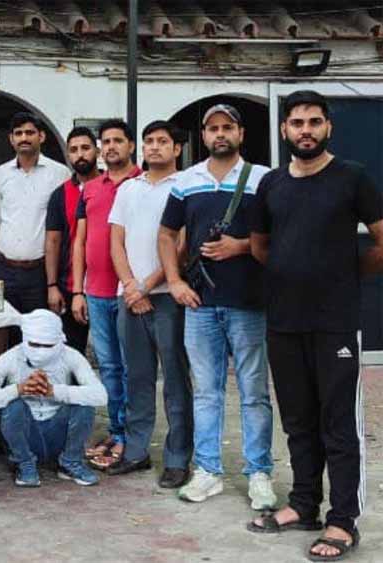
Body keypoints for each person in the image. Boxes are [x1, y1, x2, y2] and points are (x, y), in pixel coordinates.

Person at [247, 90, 383, 561]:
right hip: (284, 320)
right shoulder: (272, 184)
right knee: (298, 420)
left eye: (314, 122)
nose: (305, 130)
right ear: (284, 130)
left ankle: (342, 520)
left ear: (328, 127)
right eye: (297, 122)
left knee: (338, 424)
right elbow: (260, 246)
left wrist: (345, 274)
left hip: (335, 322)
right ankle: (304, 504)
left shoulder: (352, 178)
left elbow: (381, 241)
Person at [157, 104, 275, 508]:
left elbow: (279, 234)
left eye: (227, 127)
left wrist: (240, 246)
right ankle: (208, 471)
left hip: (249, 302)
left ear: (240, 134)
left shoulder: (263, 179)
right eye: (212, 129)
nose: (220, 134)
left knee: (254, 392)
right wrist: (174, 281)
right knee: (206, 392)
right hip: (200, 303)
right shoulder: (186, 181)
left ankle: (259, 473)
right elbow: (166, 234)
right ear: (203, 136)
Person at [106, 120, 193, 488]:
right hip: (129, 297)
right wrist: (130, 286)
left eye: (162, 141)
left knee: (175, 380)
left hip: (168, 297)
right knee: (137, 378)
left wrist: (146, 287)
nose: (154, 147)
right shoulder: (129, 188)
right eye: (149, 141)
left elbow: (182, 246)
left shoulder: (186, 185)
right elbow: (116, 241)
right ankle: (136, 451)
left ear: (177, 148)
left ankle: (177, 458)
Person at [71, 119, 141, 470]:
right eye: (106, 142)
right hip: (96, 293)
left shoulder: (143, 183)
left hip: (131, 292)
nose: (111, 146)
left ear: (131, 145)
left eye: (118, 140)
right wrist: (77, 290)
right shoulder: (90, 189)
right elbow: (80, 242)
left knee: (132, 369)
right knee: (109, 368)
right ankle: (115, 431)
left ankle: (132, 436)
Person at [0, 309, 105, 487]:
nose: (41, 351)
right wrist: (18, 389)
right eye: (34, 344)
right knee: (12, 405)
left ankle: (70, 462)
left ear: (60, 340)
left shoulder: (71, 356)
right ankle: (24, 463)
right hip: (25, 433)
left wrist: (54, 391)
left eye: (48, 346)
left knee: (85, 403)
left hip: (58, 431)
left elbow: (101, 396)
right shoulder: (10, 358)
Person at [0, 112, 71, 314]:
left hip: (40, 272)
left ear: (41, 136)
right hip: (3, 270)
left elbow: (63, 224)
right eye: (18, 133)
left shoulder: (60, 173)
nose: (24, 138)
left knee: (39, 326)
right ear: (11, 139)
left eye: (29, 132)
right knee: (3, 326)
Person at [45, 126, 100, 354]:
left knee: (111, 357)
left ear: (97, 151)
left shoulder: (114, 188)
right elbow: (53, 241)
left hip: (106, 286)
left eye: (86, 148)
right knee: (70, 354)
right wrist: (52, 286)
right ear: (68, 155)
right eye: (74, 150)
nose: (80, 154)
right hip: (69, 286)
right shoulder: (60, 194)